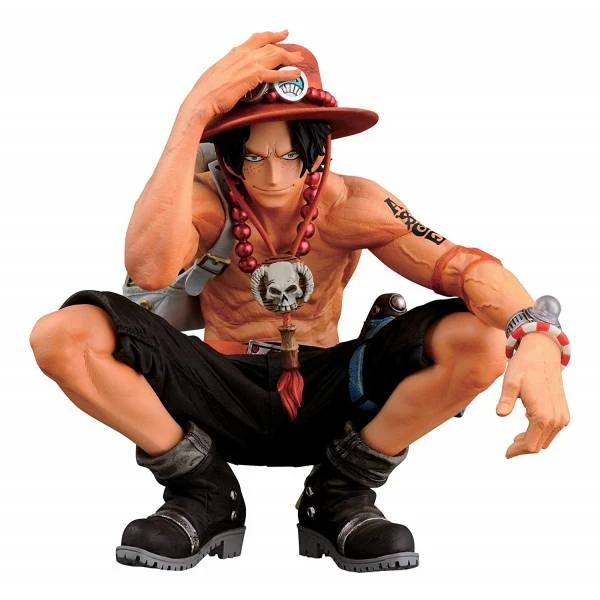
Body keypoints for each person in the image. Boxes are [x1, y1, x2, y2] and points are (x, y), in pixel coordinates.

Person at [29, 31, 571, 573]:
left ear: (320, 148)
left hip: (332, 395)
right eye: (254, 156)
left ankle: (340, 492)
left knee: (481, 338)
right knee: (63, 334)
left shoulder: (355, 204)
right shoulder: (206, 202)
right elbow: (150, 269)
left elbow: (462, 266)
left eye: (290, 154)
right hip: (216, 394)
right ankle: (202, 488)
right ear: (230, 152)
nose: (273, 175)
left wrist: (535, 333)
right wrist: (192, 116)